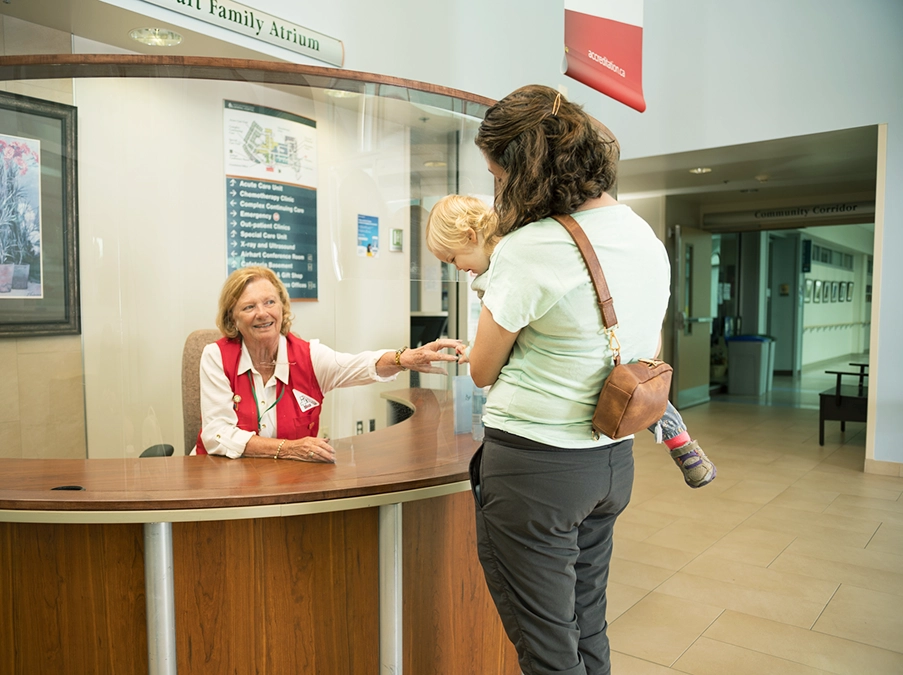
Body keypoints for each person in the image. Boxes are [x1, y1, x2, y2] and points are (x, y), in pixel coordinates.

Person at [458, 84, 672, 675]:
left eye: (499, 174)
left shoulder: (533, 248)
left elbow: (481, 368)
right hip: (612, 458)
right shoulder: (642, 235)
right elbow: (644, 346)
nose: (497, 188)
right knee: (586, 622)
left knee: (548, 645)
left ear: (524, 170)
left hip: (537, 470)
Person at [425, 194, 716, 489]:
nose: (457, 268)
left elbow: (489, 362)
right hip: (612, 438)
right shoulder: (639, 239)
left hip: (544, 444)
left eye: (452, 259)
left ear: (470, 236)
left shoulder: (514, 261)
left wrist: (478, 354)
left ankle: (681, 442)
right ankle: (682, 443)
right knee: (648, 397)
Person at [196, 265, 462, 460]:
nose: (263, 313)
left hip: (289, 479)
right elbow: (216, 434)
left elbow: (358, 365)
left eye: (269, 302)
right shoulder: (215, 356)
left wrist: (403, 358)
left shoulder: (309, 355)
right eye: (249, 307)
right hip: (225, 478)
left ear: (282, 308)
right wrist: (288, 448)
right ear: (233, 318)